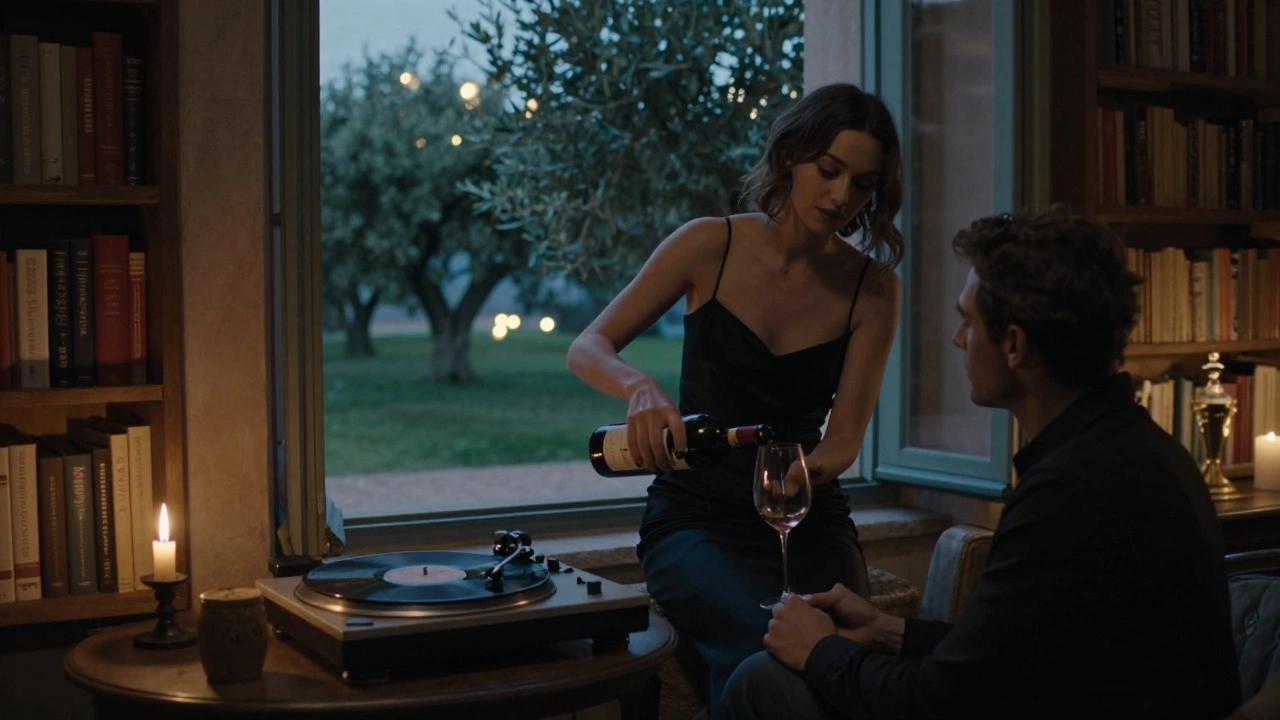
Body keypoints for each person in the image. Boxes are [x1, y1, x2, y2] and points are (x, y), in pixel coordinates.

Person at [715, 206, 1243, 720]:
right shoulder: (1130, 449)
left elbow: (939, 701)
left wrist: (818, 650)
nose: (958, 339)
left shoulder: (1073, 489)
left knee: (761, 681)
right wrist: (888, 631)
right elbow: (1017, 657)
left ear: (1013, 344)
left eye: (968, 321)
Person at [565, 83, 904, 711]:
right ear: (790, 157)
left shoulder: (874, 290)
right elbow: (588, 346)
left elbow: (844, 443)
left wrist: (790, 478)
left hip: (806, 519)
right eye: (828, 170)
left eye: (861, 183)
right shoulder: (709, 245)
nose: (841, 197)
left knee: (838, 652)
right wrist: (639, 387)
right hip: (697, 521)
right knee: (768, 646)